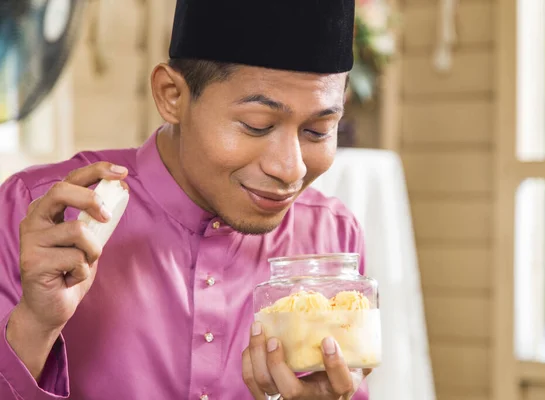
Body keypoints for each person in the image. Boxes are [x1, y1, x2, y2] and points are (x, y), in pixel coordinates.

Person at [0, 0, 372, 399]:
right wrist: (35, 325)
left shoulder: (333, 239)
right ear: (172, 95)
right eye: (257, 125)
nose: (290, 169)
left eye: (317, 131)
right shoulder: (40, 214)